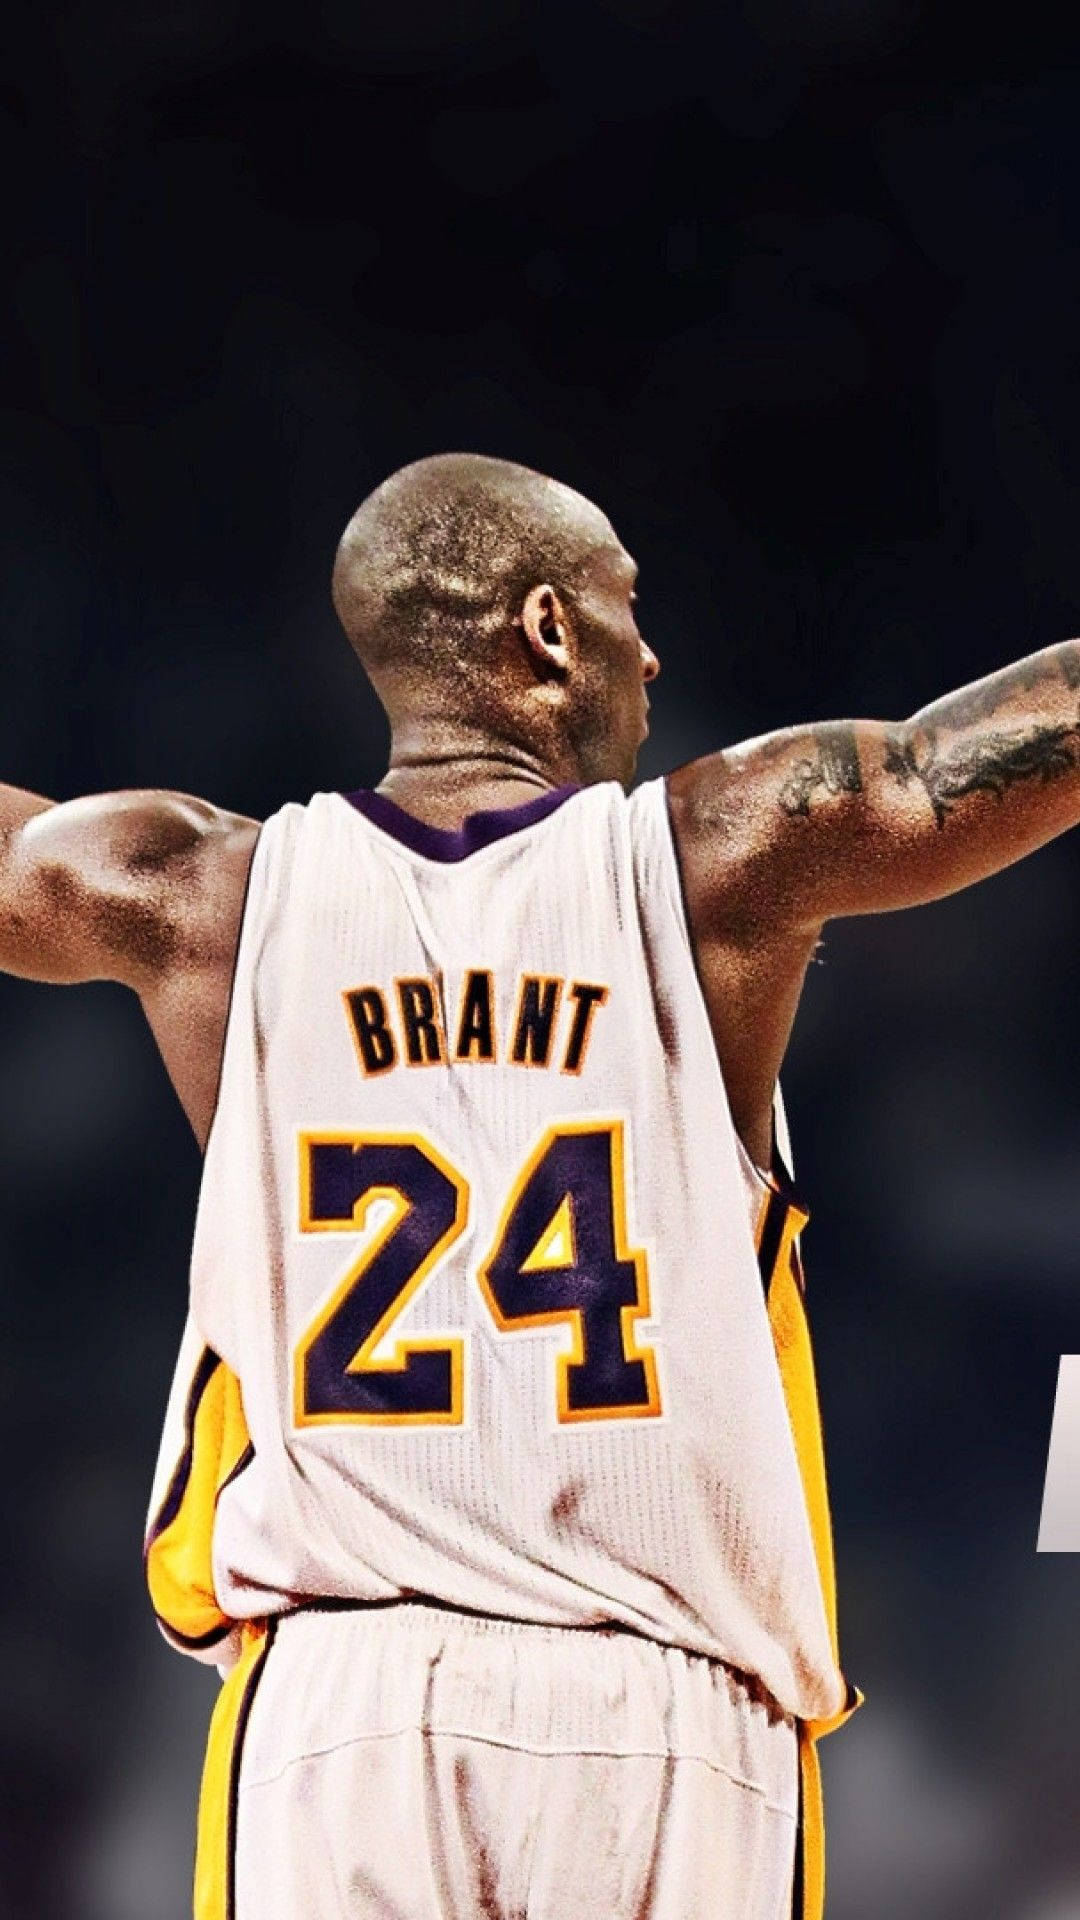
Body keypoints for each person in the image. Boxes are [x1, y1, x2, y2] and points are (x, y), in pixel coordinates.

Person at [2, 451, 1079, 1920]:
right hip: (669, 1713)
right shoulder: (711, 862)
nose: (654, 653)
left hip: (342, 1707)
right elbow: (927, 771)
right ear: (551, 631)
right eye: (630, 605)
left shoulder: (202, 898)